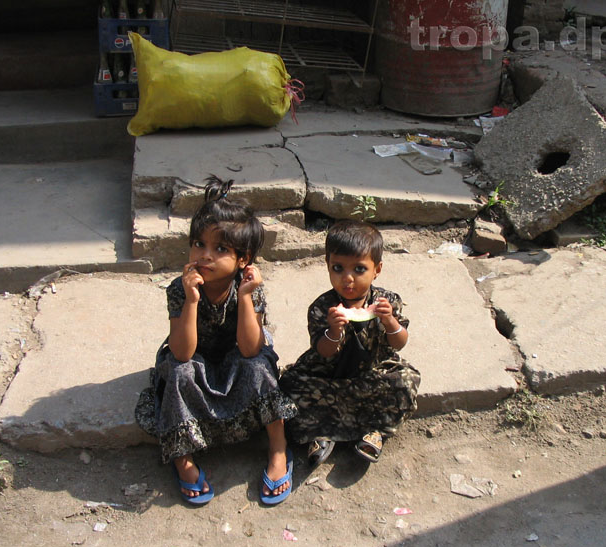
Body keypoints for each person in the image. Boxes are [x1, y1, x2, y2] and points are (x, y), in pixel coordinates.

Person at [135, 175, 297, 506]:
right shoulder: (180, 289)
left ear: (243, 259)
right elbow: (182, 353)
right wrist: (192, 301)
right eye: (199, 244)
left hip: (235, 362)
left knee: (259, 365)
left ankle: (278, 449)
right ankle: (183, 457)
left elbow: (250, 349)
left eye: (220, 249)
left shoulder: (249, 288)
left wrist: (246, 297)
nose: (205, 255)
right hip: (196, 362)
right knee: (178, 371)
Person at [279, 219, 420, 467]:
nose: (347, 278)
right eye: (338, 268)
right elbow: (323, 352)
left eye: (359, 269)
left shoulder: (387, 301)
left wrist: (390, 321)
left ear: (377, 269)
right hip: (327, 373)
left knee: (405, 382)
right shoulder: (322, 307)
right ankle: (322, 432)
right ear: (327, 266)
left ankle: (374, 431)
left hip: (373, 370)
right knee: (289, 387)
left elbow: (399, 343)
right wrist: (334, 330)